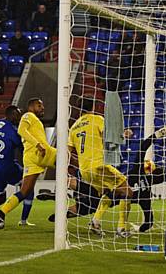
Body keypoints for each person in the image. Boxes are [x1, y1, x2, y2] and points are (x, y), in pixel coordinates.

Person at [43, 123, 166, 233]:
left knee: (80, 186)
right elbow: (149, 221)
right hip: (103, 201)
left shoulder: (138, 171)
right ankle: (62, 214)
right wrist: (139, 229)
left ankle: (58, 193)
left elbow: (143, 146)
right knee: (83, 209)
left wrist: (159, 133)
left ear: (151, 172)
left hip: (102, 190)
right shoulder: (146, 197)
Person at [66, 98, 132, 237]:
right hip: (99, 166)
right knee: (127, 191)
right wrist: (123, 135)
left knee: (110, 192)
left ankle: (95, 222)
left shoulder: (74, 127)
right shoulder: (97, 119)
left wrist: (79, 163)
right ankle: (121, 228)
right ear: (94, 106)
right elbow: (109, 137)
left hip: (84, 171)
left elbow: (68, 152)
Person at [0, 98, 56, 229]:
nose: (42, 108)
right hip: (41, 153)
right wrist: (38, 144)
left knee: (25, 191)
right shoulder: (28, 115)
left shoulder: (34, 120)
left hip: (30, 157)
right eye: (39, 105)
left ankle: (1, 213)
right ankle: (61, 195)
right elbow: (21, 130)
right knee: (70, 161)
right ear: (31, 107)